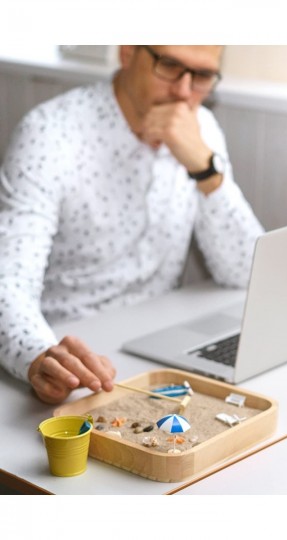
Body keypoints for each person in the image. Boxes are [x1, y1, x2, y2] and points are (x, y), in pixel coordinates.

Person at [0, 45, 264, 405]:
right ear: (127, 53)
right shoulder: (50, 134)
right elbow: (8, 281)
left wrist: (206, 170)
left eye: (201, 76)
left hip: (159, 350)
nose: (184, 92)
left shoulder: (201, 129)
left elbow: (246, 273)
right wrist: (39, 355)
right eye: (169, 65)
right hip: (73, 356)